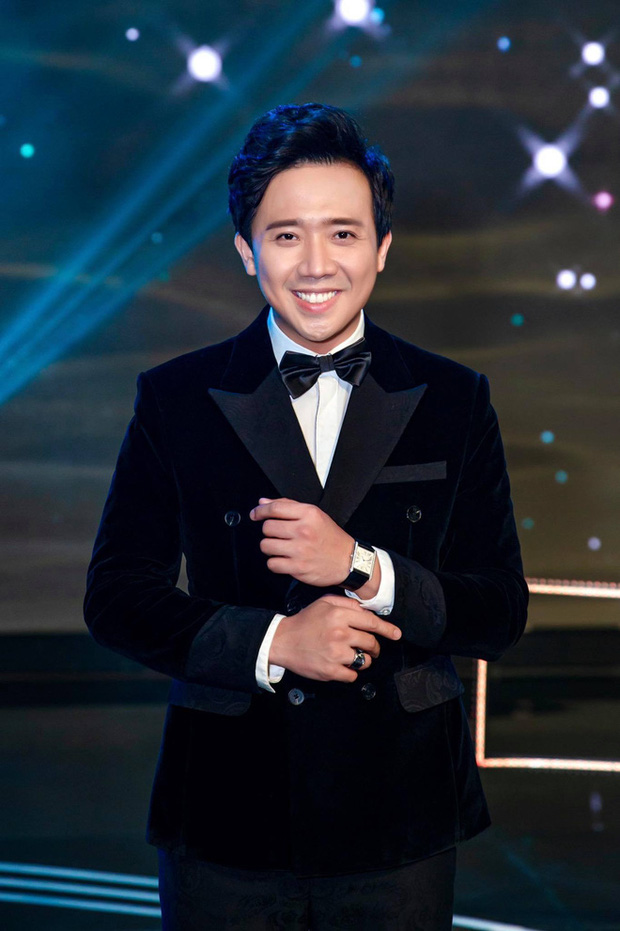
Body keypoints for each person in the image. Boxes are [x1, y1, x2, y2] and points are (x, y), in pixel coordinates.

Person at [84, 102, 528, 930]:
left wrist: (363, 567)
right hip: (226, 812)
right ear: (246, 249)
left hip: (400, 817)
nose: (316, 264)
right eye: (286, 235)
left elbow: (500, 609)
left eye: (344, 233)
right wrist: (274, 642)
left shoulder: (454, 397)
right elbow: (115, 596)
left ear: (382, 246)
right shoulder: (176, 398)